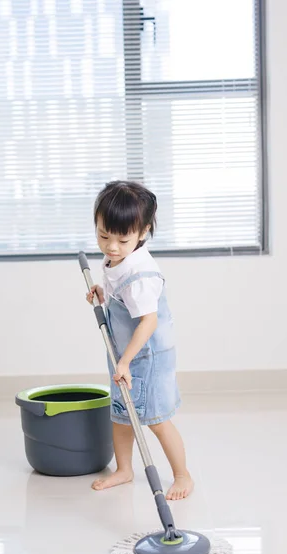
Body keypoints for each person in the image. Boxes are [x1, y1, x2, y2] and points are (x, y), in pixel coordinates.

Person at [86, 181, 193, 501]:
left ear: (143, 232)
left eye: (122, 239)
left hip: (147, 355)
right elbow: (122, 300)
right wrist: (103, 295)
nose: (112, 247)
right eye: (104, 235)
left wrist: (125, 361)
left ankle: (182, 475)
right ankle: (123, 469)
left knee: (156, 419)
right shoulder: (116, 260)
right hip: (125, 352)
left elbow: (148, 320)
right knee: (121, 413)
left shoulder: (142, 274)